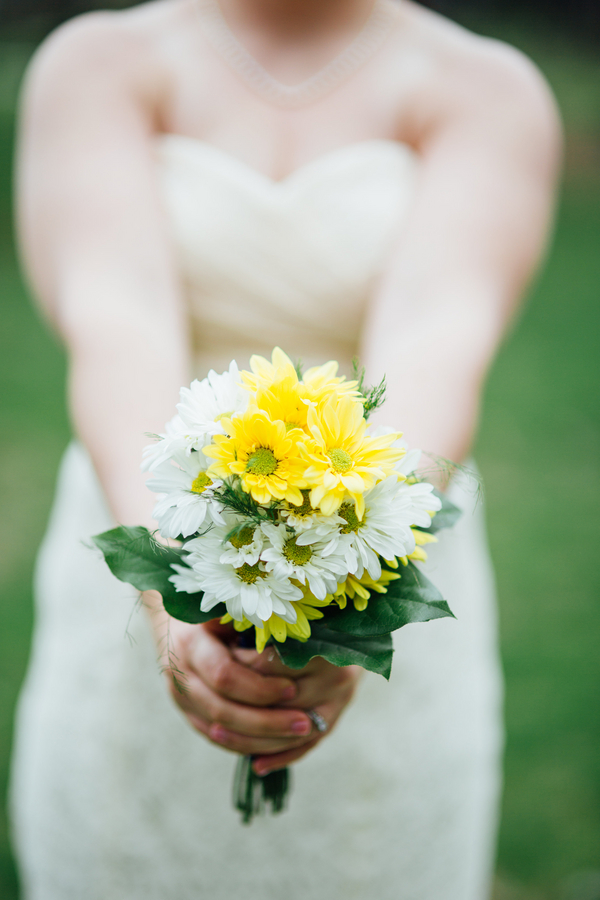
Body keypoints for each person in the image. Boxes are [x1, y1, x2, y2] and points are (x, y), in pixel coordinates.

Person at [9, 0, 560, 897]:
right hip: (152, 491)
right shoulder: (101, 62)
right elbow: (119, 317)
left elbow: (437, 331)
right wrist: (175, 597)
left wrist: (347, 581)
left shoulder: (484, 89)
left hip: (379, 511)